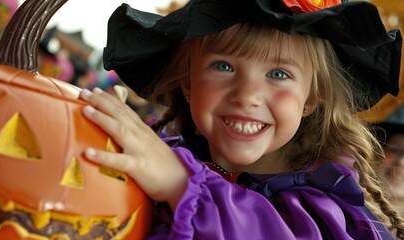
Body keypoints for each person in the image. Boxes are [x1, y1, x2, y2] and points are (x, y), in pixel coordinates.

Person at [78, 0, 404, 239]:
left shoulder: (324, 208)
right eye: (223, 66)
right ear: (188, 82)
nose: (247, 95)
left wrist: (182, 184)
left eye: (278, 73)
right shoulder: (155, 161)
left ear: (311, 99)